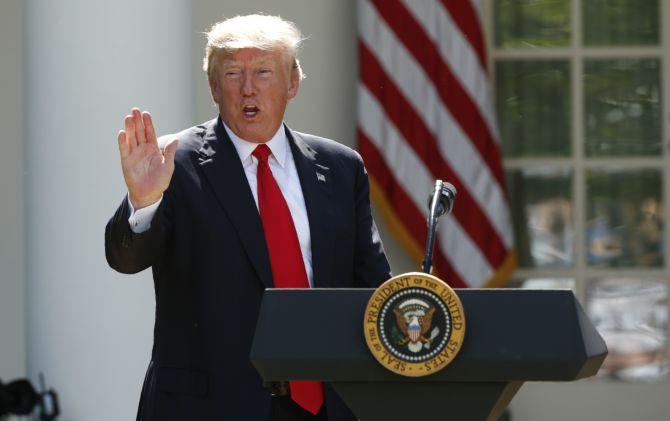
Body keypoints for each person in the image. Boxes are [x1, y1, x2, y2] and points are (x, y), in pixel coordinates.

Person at [105, 14, 391, 421]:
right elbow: (125, 259)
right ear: (214, 87)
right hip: (208, 405)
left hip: (326, 405)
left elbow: (372, 288)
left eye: (263, 72)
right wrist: (142, 200)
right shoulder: (174, 163)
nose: (248, 88)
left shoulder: (341, 168)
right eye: (234, 73)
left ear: (293, 83)